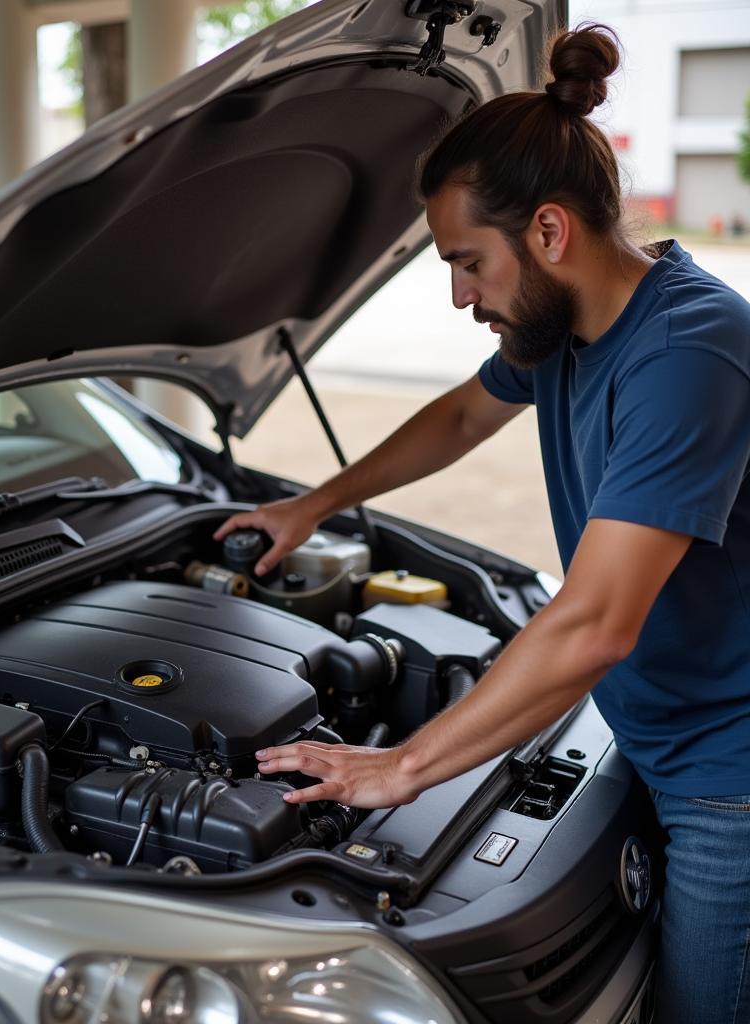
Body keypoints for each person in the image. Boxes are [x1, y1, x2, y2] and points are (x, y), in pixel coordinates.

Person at [215, 23, 750, 1024]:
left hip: (730, 776)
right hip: (642, 725)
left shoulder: (690, 349)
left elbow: (595, 621)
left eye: (468, 263)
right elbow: (461, 414)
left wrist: (401, 767)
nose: (461, 296)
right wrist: (311, 503)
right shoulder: (564, 327)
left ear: (548, 233)